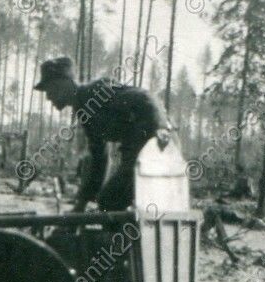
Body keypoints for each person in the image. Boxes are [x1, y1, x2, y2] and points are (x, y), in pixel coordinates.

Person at [34, 57, 173, 212]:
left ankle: (121, 235)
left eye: (50, 88)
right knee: (120, 201)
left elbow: (144, 99)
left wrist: (156, 132)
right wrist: (81, 203)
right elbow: (100, 160)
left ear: (65, 83)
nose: (48, 97)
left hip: (153, 139)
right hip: (161, 140)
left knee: (110, 200)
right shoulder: (85, 112)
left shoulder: (94, 92)